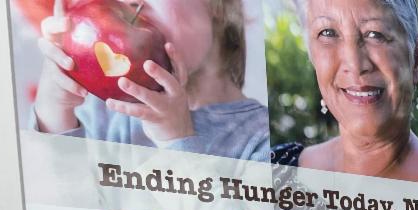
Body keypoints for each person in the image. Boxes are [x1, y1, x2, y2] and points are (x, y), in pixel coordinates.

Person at [34, 0, 269, 161]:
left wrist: (176, 139)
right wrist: (54, 111)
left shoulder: (261, 141)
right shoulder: (99, 110)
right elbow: (57, 205)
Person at [271, 0, 418, 181]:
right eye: (328, 33)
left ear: (416, 58)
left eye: (375, 34)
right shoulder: (277, 170)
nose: (354, 64)